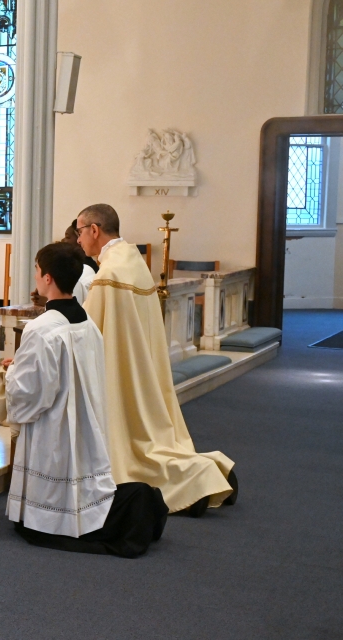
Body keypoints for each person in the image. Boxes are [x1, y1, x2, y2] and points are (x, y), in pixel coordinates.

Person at [3, 242, 168, 558]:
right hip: (86, 425)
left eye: (37, 271)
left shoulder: (42, 329)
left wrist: (11, 375)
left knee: (45, 510)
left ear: (48, 278)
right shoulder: (87, 323)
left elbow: (31, 395)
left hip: (54, 430)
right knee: (79, 488)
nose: (36, 277)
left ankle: (50, 519)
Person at [76, 203, 236, 516]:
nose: (79, 240)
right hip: (141, 367)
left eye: (80, 232)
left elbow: (88, 329)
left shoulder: (109, 274)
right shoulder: (133, 261)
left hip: (121, 372)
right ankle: (208, 470)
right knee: (154, 439)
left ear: (94, 230)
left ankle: (198, 478)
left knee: (135, 452)